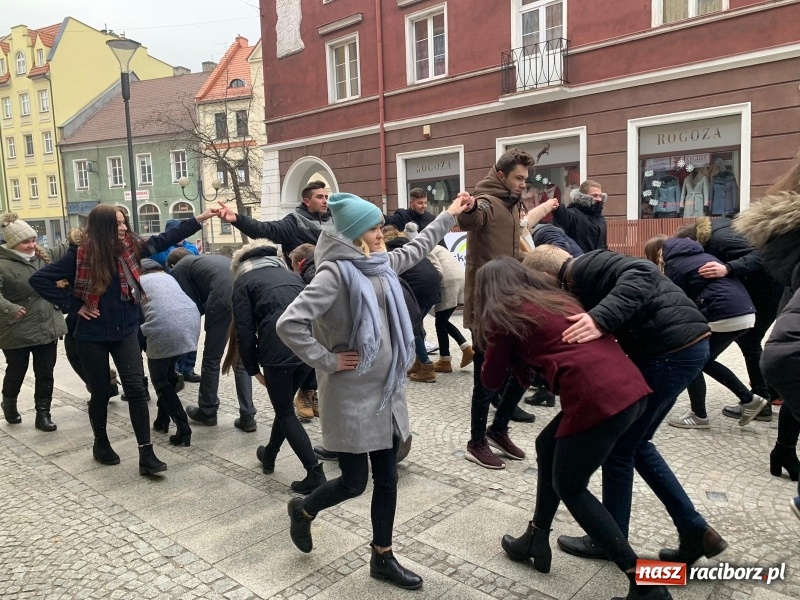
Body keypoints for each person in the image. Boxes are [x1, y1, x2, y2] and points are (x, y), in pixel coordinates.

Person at [277, 191, 472, 590]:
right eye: (372, 228)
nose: (381, 233)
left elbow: (418, 247)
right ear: (351, 234)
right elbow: (289, 323)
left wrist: (449, 215)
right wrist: (328, 360)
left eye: (381, 226)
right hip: (350, 394)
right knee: (353, 482)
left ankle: (382, 557)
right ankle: (304, 509)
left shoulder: (378, 264)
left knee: (387, 479)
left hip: (386, 390)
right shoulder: (333, 274)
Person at [475, 258, 669, 600]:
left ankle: (646, 583)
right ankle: (536, 537)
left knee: (571, 487)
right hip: (630, 390)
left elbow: (490, 379)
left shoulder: (506, 315)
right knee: (546, 444)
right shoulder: (557, 299)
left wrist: (489, 343)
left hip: (597, 400)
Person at [523, 245, 727, 567]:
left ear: (548, 276)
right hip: (679, 349)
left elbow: (644, 272)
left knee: (621, 448)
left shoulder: (584, 267)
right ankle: (694, 530)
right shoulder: (582, 276)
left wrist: (600, 318)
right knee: (636, 443)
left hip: (669, 352)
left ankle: (613, 538)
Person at [29, 204, 216, 475]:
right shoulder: (79, 255)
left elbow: (163, 239)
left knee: (138, 390)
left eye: (123, 222)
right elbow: (40, 279)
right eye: (117, 223)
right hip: (92, 335)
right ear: (102, 226)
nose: (123, 227)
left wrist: (200, 218)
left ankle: (146, 453)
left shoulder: (130, 249)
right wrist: (74, 304)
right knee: (101, 391)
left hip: (126, 330)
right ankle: (101, 443)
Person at [457, 148, 536, 470]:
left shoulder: (512, 205)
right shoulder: (488, 202)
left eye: (525, 179)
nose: (523, 184)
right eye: (518, 178)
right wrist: (470, 206)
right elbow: (472, 218)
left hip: (511, 300)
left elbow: (512, 251)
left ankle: (498, 429)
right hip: (487, 306)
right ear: (501, 175)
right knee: (485, 377)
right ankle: (476, 442)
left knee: (523, 368)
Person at [226, 239, 326, 493]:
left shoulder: (244, 282)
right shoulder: (291, 275)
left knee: (284, 413)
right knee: (284, 406)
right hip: (307, 347)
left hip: (277, 352)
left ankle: (314, 472)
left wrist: (252, 369)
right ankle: (269, 454)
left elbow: (245, 331)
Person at [733, 149, 800, 518]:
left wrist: (726, 269)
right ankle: (759, 399)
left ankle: (779, 441)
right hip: (766, 304)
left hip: (767, 303)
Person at [644, 235, 764, 428]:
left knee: (693, 360)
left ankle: (700, 415)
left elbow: (673, 300)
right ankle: (749, 400)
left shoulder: (674, 265)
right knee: (704, 360)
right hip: (744, 311)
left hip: (724, 313)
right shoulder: (700, 255)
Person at [674, 216, 783, 421]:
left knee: (715, 353)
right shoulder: (718, 231)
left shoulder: (720, 237)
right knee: (749, 342)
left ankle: (759, 400)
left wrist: (728, 268)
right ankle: (763, 399)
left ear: (693, 242)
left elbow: (763, 256)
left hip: (768, 292)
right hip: (765, 291)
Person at [167, 249, 255, 431]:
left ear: (172, 266)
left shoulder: (179, 269)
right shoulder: (208, 260)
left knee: (211, 360)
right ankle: (248, 416)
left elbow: (190, 305)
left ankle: (207, 411)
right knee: (241, 359)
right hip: (246, 296)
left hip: (222, 301)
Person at [0, 213, 69, 431]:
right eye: (25, 242)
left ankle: (43, 414)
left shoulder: (43, 255)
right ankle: (9, 403)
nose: (31, 245)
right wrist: (10, 308)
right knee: (16, 370)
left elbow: (67, 249)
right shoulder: (3, 264)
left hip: (47, 324)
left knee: (45, 372)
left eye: (33, 240)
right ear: (12, 244)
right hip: (16, 328)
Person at [138, 258, 199, 447]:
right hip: (191, 323)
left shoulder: (136, 282)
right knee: (169, 371)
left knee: (159, 380)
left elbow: (134, 318)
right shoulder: (168, 278)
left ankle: (183, 428)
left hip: (163, 327)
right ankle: (162, 420)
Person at [407, 222, 474, 373]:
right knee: (442, 321)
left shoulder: (425, 247)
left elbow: (437, 269)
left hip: (448, 283)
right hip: (459, 279)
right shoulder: (437, 246)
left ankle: (445, 360)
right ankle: (465, 349)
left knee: (440, 322)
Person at [220, 180, 329, 264]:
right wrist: (237, 219)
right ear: (307, 201)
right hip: (305, 284)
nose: (324, 201)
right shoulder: (294, 223)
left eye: (326, 197)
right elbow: (263, 229)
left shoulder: (334, 221)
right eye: (319, 197)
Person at [383, 226, 441, 383]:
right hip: (433, 284)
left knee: (410, 325)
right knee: (417, 323)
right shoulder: (408, 244)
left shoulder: (389, 251)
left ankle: (426, 366)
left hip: (417, 287)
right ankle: (419, 361)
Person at [148, 219, 202, 383]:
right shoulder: (161, 249)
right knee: (175, 334)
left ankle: (188, 369)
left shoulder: (191, 248)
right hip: (168, 295)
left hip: (190, 294)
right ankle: (175, 369)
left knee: (190, 334)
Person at [551, 179, 608, 252]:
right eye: (594, 195)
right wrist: (558, 208)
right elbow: (562, 218)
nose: (599, 199)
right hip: (579, 261)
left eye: (600, 196)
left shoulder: (600, 218)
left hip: (597, 261)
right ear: (583, 196)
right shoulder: (573, 214)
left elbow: (604, 244)